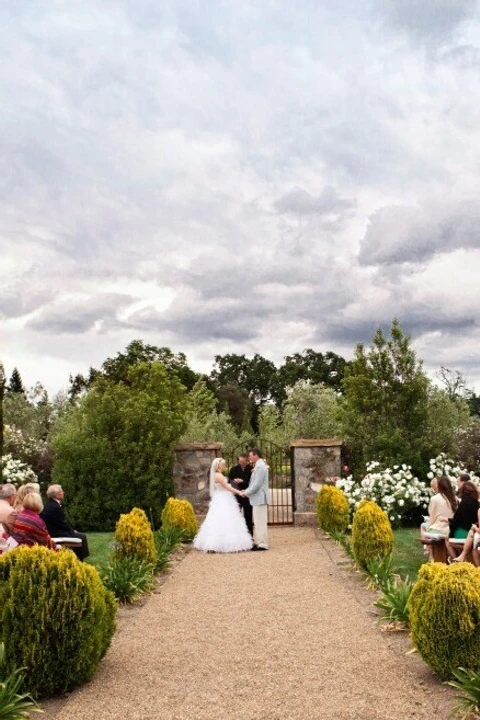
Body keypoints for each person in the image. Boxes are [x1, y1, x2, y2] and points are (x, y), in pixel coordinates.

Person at [193, 458, 253, 553]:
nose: (224, 466)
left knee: (219, 519)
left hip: (221, 497)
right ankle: (221, 544)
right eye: (223, 464)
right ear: (218, 466)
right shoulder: (219, 476)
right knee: (225, 518)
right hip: (223, 498)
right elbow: (228, 487)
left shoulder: (217, 474)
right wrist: (239, 492)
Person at [40, 484, 90, 561]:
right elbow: (61, 524)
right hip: (56, 533)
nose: (63, 492)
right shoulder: (55, 507)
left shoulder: (49, 504)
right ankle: (80, 560)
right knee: (82, 537)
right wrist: (72, 531)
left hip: (52, 531)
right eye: (61, 491)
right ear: (56, 495)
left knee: (78, 535)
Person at [240, 448, 269, 551]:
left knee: (260, 522)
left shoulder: (260, 467)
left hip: (260, 499)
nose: (249, 458)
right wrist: (246, 490)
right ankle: (261, 542)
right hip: (258, 499)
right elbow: (254, 483)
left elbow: (257, 485)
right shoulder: (259, 466)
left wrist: (246, 493)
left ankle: (262, 545)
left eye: (250, 456)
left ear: (256, 455)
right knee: (258, 522)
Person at [445, 481, 480, 560]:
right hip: (473, 533)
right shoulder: (477, 504)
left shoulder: (463, 504)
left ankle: (455, 559)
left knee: (447, 539)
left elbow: (456, 520)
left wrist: (449, 522)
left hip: (463, 532)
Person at [228, 453, 253, 536]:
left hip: (247, 496)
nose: (240, 462)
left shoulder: (251, 469)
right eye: (239, 461)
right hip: (236, 495)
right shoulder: (233, 469)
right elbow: (229, 481)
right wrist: (235, 484)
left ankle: (250, 536)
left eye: (242, 461)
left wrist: (242, 481)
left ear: (247, 461)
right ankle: (235, 535)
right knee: (235, 516)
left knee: (248, 516)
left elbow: (253, 483)